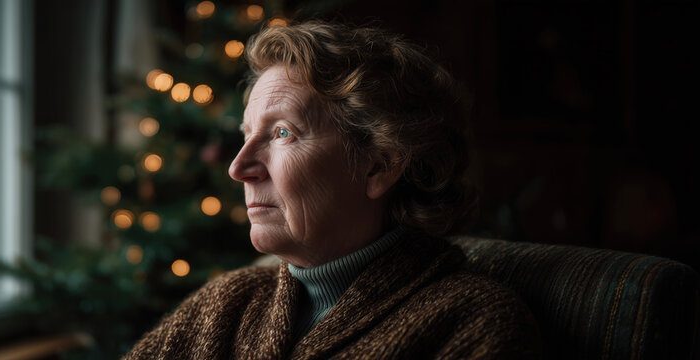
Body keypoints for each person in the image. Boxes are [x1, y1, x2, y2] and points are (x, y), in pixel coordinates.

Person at [123, 20, 541, 359]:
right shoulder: (226, 305)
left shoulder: (471, 322)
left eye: (282, 132)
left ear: (379, 164)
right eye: (246, 134)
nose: (238, 168)